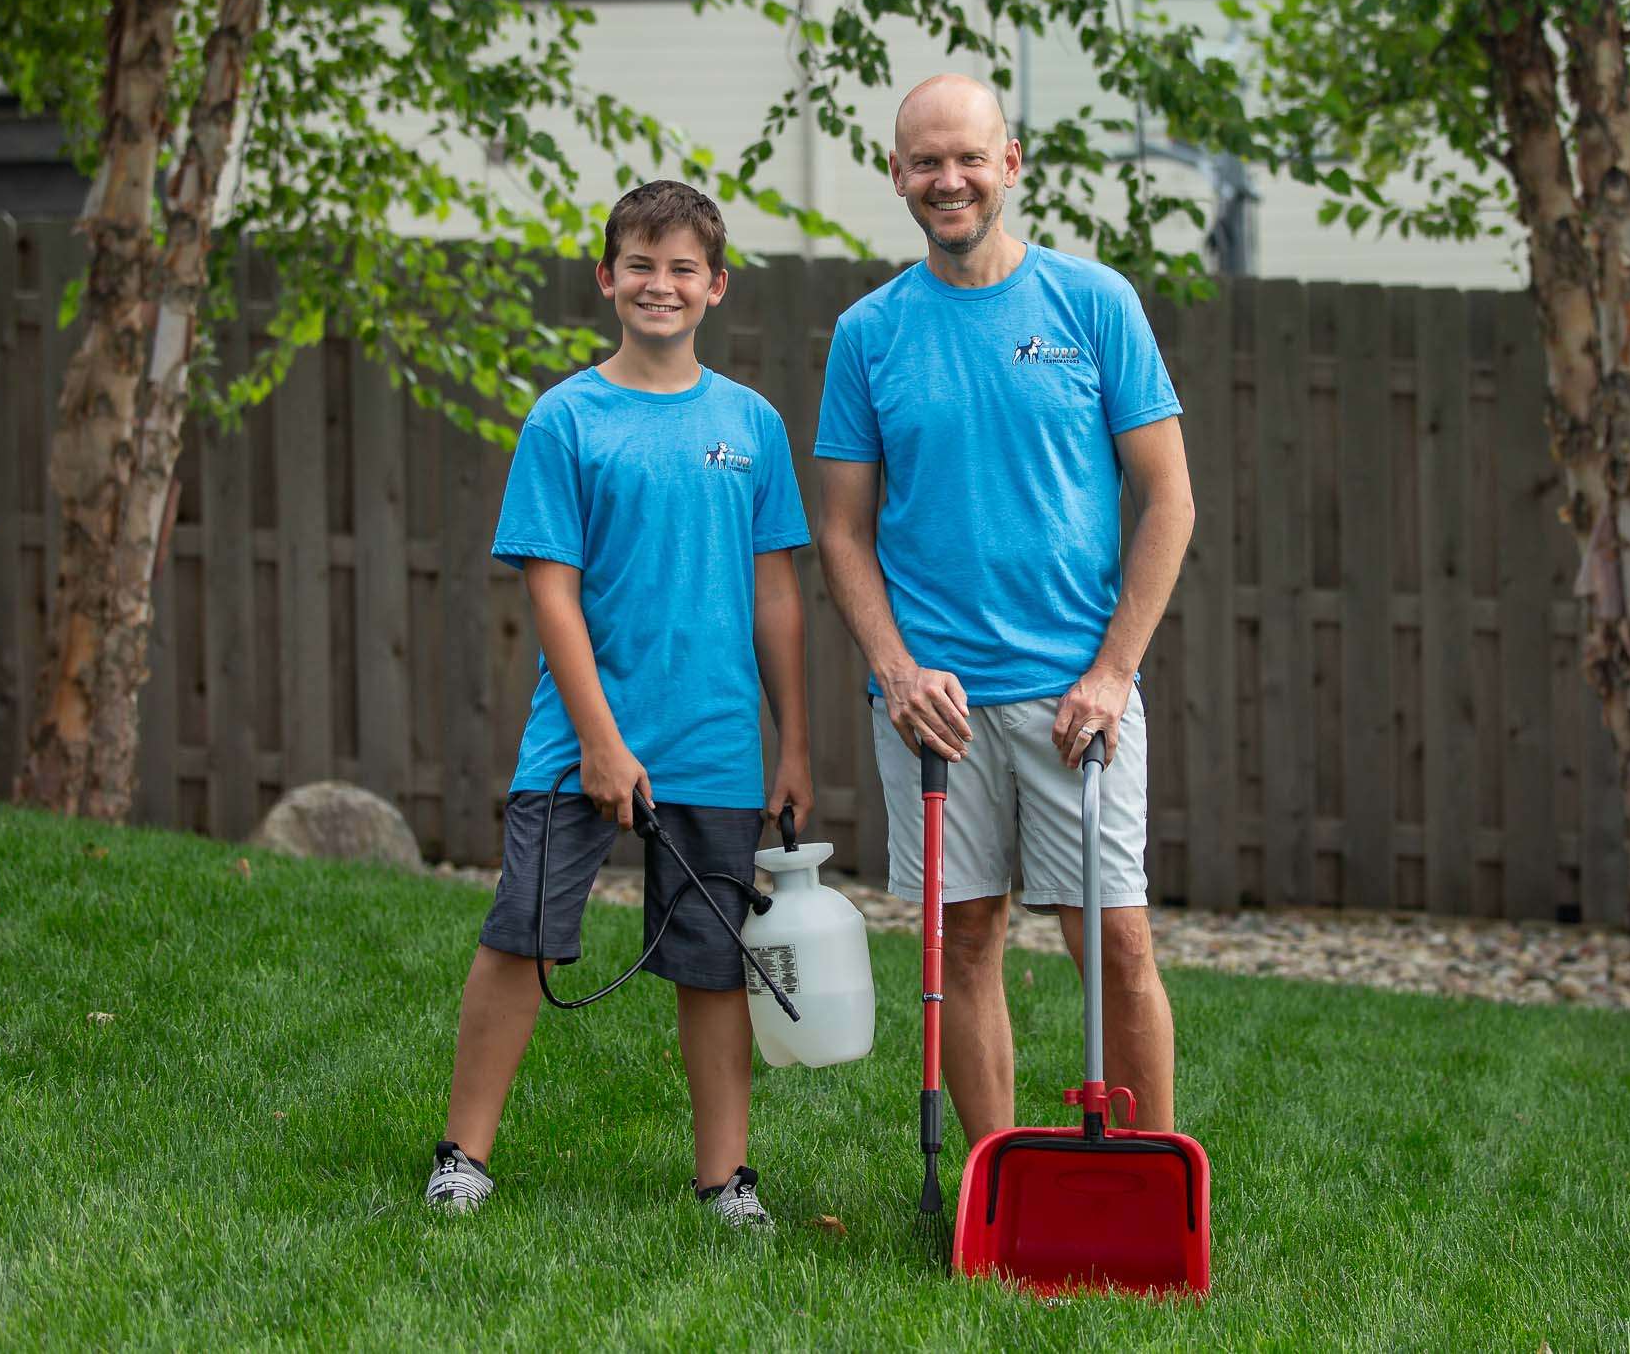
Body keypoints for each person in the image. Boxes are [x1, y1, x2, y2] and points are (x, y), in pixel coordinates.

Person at [425, 181, 814, 1226]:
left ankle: (723, 1178)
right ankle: (463, 1154)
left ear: (715, 287)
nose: (660, 284)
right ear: (606, 279)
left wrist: (795, 745)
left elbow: (776, 592)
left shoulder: (751, 424)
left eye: (683, 267)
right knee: (521, 937)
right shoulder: (567, 419)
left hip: (719, 743)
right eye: (640, 264)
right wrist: (600, 743)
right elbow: (548, 588)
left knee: (712, 965)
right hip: (576, 746)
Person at [815, 75, 1193, 1144]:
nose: (948, 179)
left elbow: (1167, 500)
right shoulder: (868, 334)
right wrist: (895, 672)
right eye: (924, 161)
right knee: (966, 945)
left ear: (1009, 164)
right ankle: (995, 1188)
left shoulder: (1092, 304)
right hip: (939, 707)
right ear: (896, 176)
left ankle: (1146, 1182)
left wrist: (1112, 671)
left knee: (1116, 947)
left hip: (1081, 698)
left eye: (968, 158)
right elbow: (842, 530)